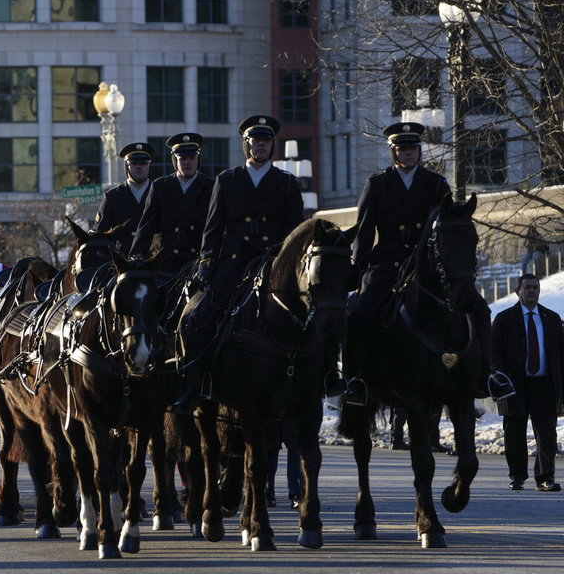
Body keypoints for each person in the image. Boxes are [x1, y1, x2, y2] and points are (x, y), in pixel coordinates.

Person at [342, 122, 513, 406]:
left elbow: (446, 226)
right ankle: (354, 379)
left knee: (479, 309)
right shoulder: (378, 184)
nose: (410, 153)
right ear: (393, 152)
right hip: (387, 262)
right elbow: (363, 233)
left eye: (414, 148)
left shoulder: (435, 183)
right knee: (361, 312)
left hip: (427, 264)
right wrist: (358, 275)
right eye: (403, 149)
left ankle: (486, 374)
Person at [172, 116, 304, 413]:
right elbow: (213, 228)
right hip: (234, 261)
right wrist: (207, 263)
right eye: (255, 141)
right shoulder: (227, 180)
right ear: (247, 144)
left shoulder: (286, 183)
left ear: (272, 146)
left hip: (273, 261)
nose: (260, 146)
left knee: (309, 315)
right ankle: (195, 386)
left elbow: (296, 231)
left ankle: (320, 381)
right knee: (198, 318)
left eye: (266, 141)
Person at [492, 274, 564, 492]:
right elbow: (494, 353)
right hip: (514, 386)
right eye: (527, 288)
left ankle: (545, 477)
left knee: (547, 433)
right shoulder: (504, 319)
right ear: (517, 292)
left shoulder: (551, 318)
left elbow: (561, 354)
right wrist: (502, 378)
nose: (532, 291)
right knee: (514, 432)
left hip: (544, 385)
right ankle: (517, 476)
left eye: (535, 287)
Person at [129, 132, 214, 277]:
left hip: (199, 259)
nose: (188, 162)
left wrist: (208, 261)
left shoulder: (211, 186)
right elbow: (146, 227)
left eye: (192, 158)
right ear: (175, 160)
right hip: (168, 259)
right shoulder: (160, 186)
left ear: (198, 159)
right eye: (182, 158)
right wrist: (134, 259)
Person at [93, 142, 155, 255]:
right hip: (122, 261)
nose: (139, 167)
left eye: (144, 163)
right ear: (127, 166)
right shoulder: (112, 197)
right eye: (134, 163)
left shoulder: (159, 193)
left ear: (149, 166)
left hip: (153, 259)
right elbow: (100, 235)